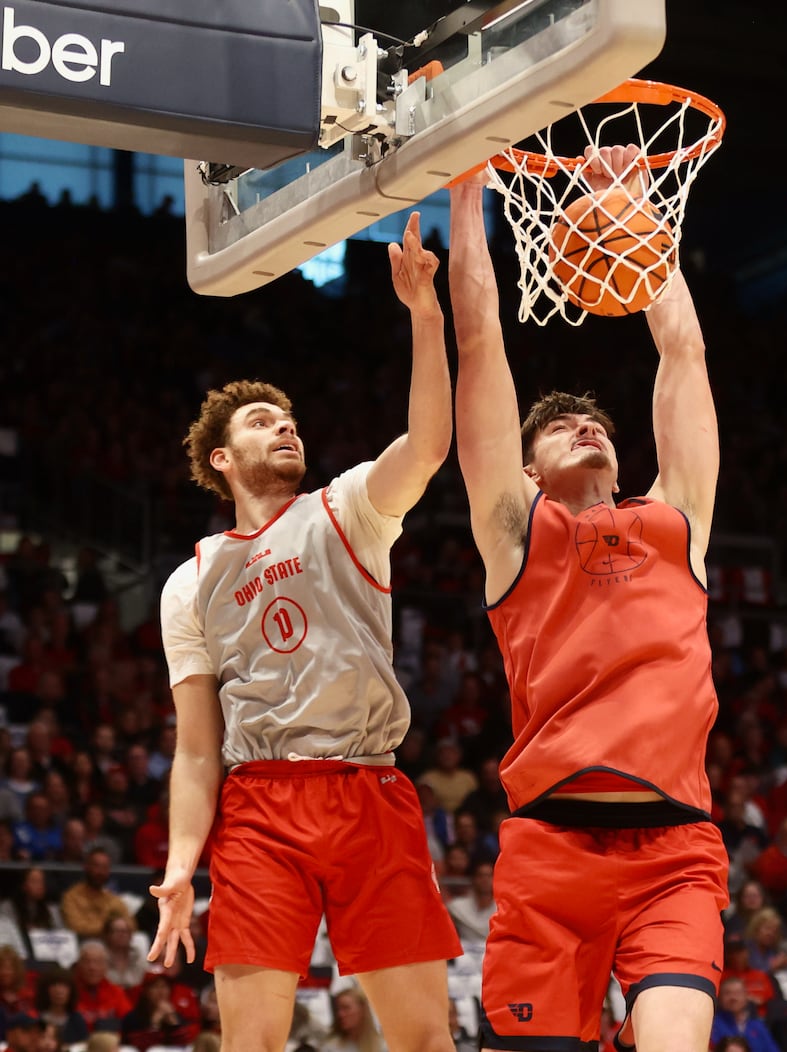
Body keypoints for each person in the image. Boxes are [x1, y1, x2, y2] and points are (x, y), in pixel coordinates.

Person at [147, 213, 461, 1052]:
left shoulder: (346, 508)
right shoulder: (192, 581)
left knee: (426, 1040)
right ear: (220, 458)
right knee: (250, 1043)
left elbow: (429, 444)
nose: (283, 427)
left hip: (370, 792)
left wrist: (424, 316)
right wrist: (181, 866)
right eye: (259, 420)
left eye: (288, 420)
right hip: (259, 805)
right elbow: (195, 749)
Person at [449, 147, 728, 1052]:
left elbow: (681, 349)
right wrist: (464, 195)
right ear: (529, 471)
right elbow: (481, 342)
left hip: (675, 852)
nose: (591, 426)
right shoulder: (515, 533)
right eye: (566, 426)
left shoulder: (677, 518)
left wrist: (636, 210)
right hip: (551, 854)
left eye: (599, 423)